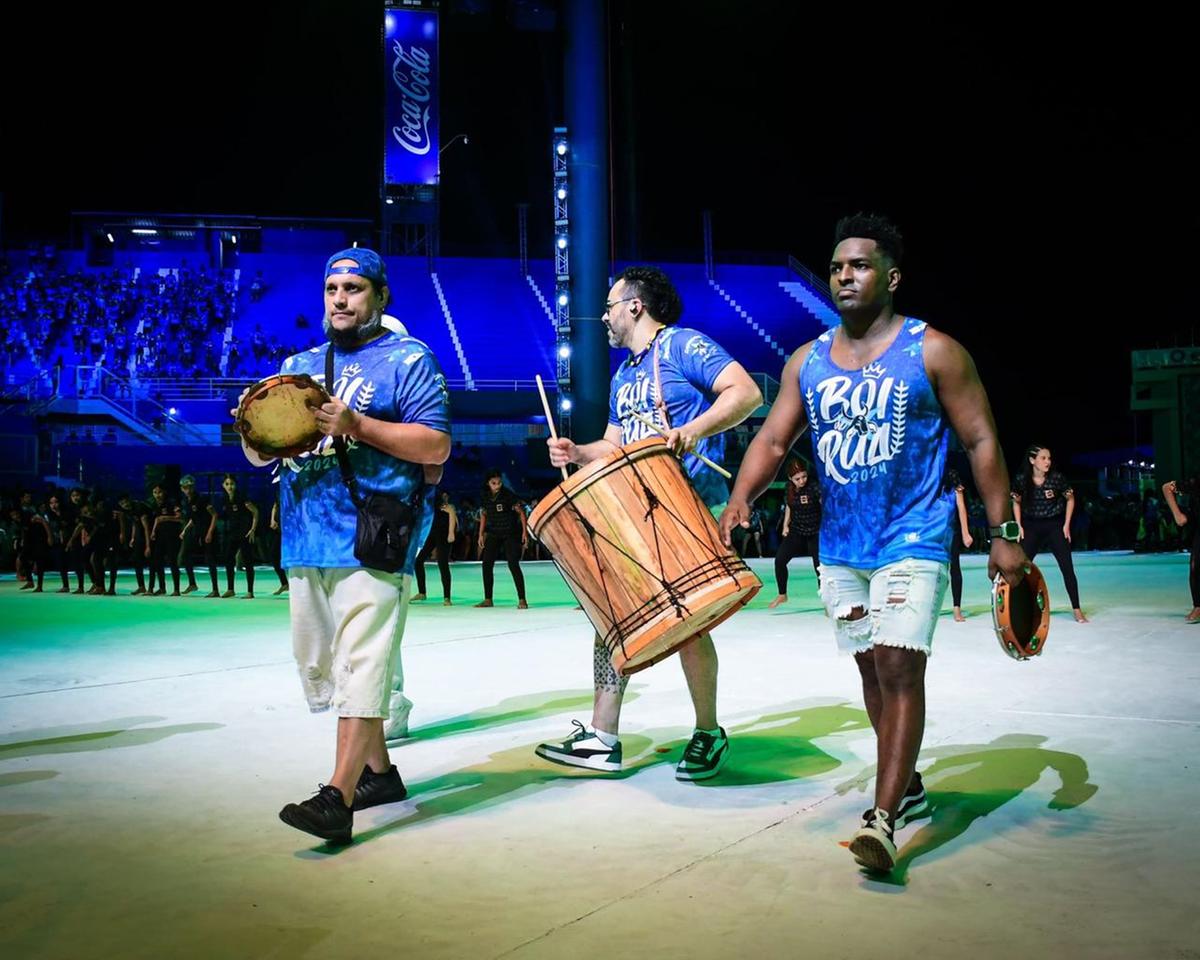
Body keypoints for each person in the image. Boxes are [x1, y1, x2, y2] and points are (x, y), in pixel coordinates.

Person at [720, 214, 1027, 871]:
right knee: (869, 668)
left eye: (858, 266)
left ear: (890, 277)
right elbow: (774, 440)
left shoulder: (934, 350)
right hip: (842, 548)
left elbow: (981, 440)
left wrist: (1004, 534)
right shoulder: (808, 360)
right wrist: (741, 498)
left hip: (913, 533)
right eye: (836, 267)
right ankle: (908, 784)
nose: (844, 276)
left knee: (898, 665)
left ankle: (883, 822)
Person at [239, 247, 451, 844]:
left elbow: (435, 446)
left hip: (374, 534)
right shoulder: (299, 364)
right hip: (307, 535)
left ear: (380, 298)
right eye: (332, 288)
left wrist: (355, 426)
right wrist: (253, 433)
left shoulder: (409, 359)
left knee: (363, 662)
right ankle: (379, 775)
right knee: (328, 666)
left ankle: (338, 795)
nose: (340, 298)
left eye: (354, 289)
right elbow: (266, 452)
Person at [536, 265, 762, 780]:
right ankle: (602, 736)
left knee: (688, 624)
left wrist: (691, 430)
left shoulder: (683, 346)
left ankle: (708, 730)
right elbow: (613, 446)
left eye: (609, 308)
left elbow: (745, 394)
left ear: (634, 306)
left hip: (684, 510)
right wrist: (577, 449)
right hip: (634, 513)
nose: (604, 318)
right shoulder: (625, 375)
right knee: (609, 616)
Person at [1012, 445, 1088, 622]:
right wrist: (1019, 525)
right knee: (1020, 568)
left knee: (1067, 568)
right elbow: (1016, 501)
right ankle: (1018, 607)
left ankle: (1076, 609)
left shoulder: (1056, 478)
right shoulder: (1022, 480)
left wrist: (1067, 524)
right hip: (1031, 526)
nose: (1048, 462)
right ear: (1033, 460)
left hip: (1054, 526)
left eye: (1049, 458)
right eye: (1043, 458)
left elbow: (1070, 498)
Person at [769, 458, 821, 608]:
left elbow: (825, 505)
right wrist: (786, 525)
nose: (802, 481)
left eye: (804, 476)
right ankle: (782, 594)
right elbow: (789, 506)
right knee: (779, 560)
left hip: (815, 532)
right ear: (790, 479)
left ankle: (827, 601)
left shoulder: (814, 486)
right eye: (797, 479)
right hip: (797, 530)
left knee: (819, 568)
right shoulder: (789, 488)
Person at [475, 471, 528, 609]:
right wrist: (481, 534)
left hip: (510, 533)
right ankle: (488, 599)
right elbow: (484, 515)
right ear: (488, 483)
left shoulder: (508, 495)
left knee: (513, 564)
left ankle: (522, 599)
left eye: (499, 483)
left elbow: (521, 513)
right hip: (494, 532)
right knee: (486, 564)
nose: (497, 486)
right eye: (494, 483)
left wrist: (524, 532)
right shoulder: (485, 496)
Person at [204, 474, 259, 599]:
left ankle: (250, 592)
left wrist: (253, 529)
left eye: (232, 484)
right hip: (233, 533)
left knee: (248, 562)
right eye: (227, 484)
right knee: (228, 559)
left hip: (245, 533)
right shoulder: (224, 499)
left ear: (236, 484)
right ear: (223, 485)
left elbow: (255, 511)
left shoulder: (242, 497)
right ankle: (230, 589)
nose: (230, 486)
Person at [1162, 474, 1200, 621]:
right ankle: (1198, 606)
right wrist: (1177, 515)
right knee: (1196, 566)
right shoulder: (1196, 482)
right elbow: (1166, 488)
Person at [413, 490, 456, 605]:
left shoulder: (446, 506)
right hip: (432, 535)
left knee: (443, 564)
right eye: (444, 495)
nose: (446, 497)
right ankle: (422, 592)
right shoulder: (429, 505)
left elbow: (452, 514)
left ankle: (447, 597)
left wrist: (451, 533)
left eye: (447, 495)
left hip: (443, 536)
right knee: (418, 561)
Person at [947, 467, 973, 621]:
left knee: (954, 567)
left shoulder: (951, 473)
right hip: (931, 528)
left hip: (950, 528)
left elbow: (960, 505)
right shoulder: (924, 468)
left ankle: (957, 608)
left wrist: (965, 532)